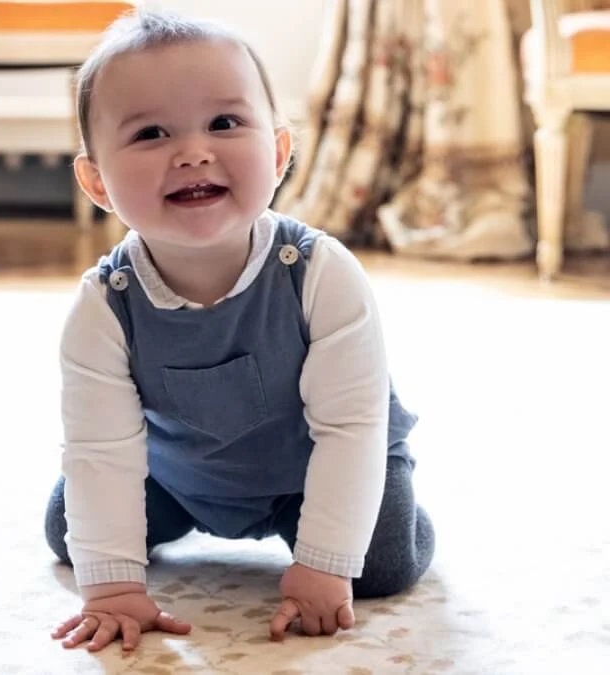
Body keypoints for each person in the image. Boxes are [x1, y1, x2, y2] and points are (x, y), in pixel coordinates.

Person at [45, 8, 434, 654]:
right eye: (150, 133)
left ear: (279, 152)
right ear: (97, 182)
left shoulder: (319, 273)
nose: (193, 151)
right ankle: (173, 520)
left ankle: (367, 508)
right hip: (179, 475)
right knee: (73, 532)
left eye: (224, 123)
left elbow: (350, 426)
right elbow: (102, 448)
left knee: (384, 560)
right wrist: (112, 587)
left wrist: (325, 559)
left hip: (317, 465)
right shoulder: (103, 307)